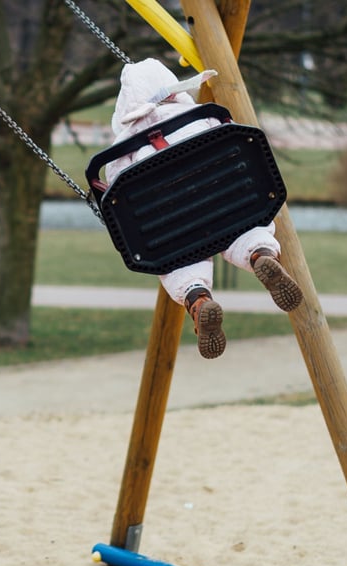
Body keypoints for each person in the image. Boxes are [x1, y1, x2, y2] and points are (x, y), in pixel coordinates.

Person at [104, 58, 304, 359]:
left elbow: (116, 193)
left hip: (176, 227)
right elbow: (233, 139)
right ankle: (259, 253)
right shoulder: (197, 116)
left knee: (175, 261)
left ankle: (197, 297)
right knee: (247, 225)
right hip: (226, 206)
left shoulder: (126, 144)